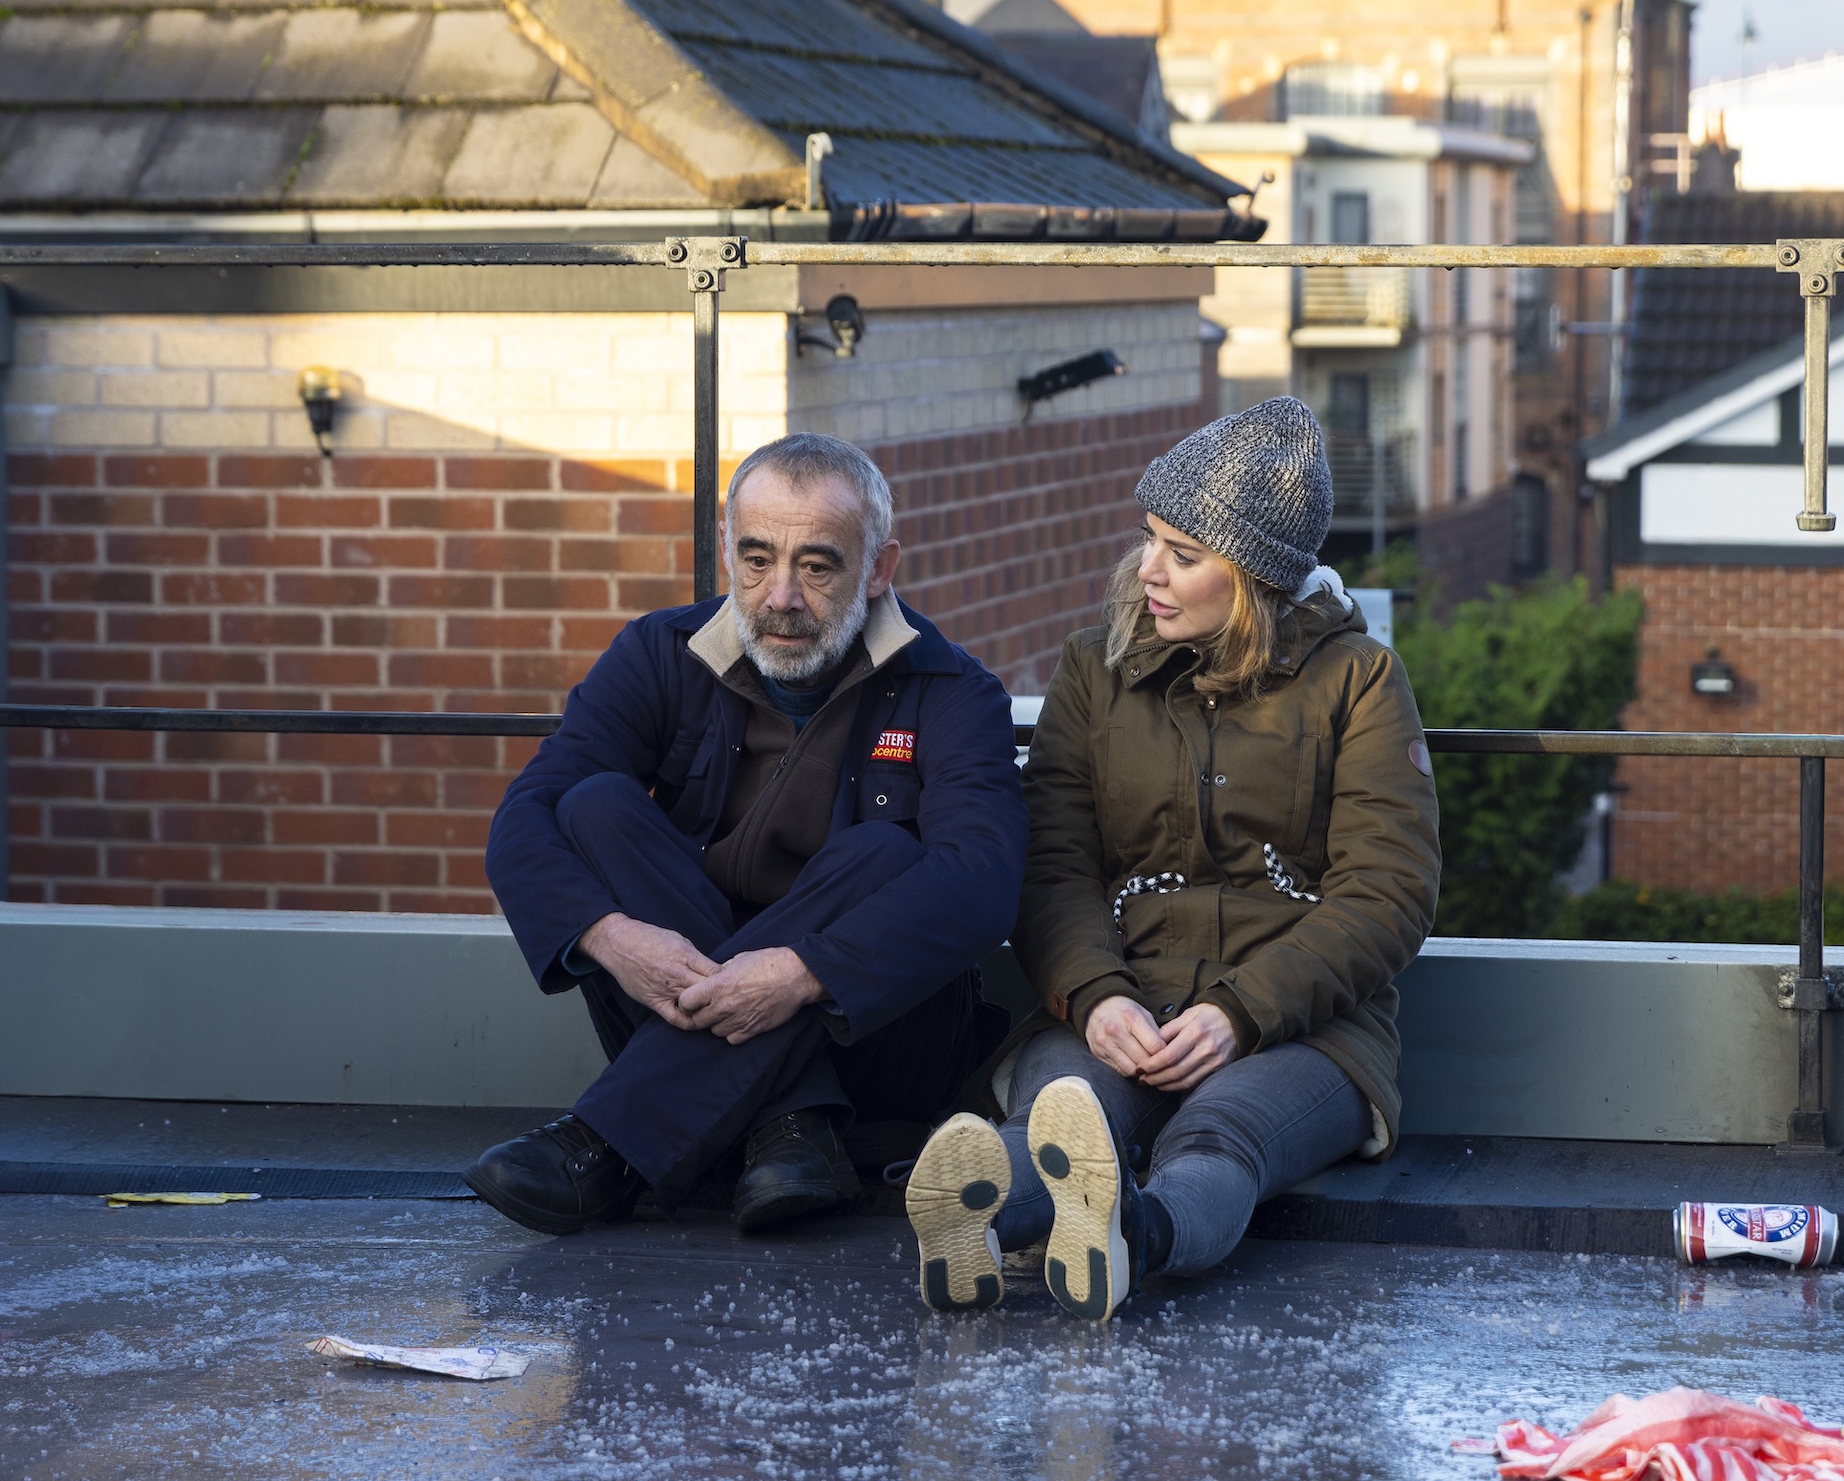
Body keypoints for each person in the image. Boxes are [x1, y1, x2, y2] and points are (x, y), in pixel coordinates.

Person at [904, 397, 1441, 1319]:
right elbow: (1052, 864)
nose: (1148, 569)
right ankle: (970, 1219)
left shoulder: (1359, 681)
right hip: (1121, 997)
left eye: (1184, 554)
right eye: (1150, 538)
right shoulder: (1094, 669)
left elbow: (1388, 892)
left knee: (1219, 1136)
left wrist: (1240, 1013)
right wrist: (1094, 994)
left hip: (1305, 1027)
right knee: (1065, 1119)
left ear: (1256, 577)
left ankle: (1133, 1237)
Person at [468, 432, 1028, 1237]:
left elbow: (983, 881)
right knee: (594, 807)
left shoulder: (952, 690)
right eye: (757, 560)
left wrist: (803, 972)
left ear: (878, 569)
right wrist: (610, 935)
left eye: (818, 567)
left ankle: (609, 1143)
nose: (781, 596)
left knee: (884, 854)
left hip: (875, 1053)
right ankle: (791, 1126)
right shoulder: (658, 653)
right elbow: (524, 820)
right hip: (686, 995)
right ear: (728, 550)